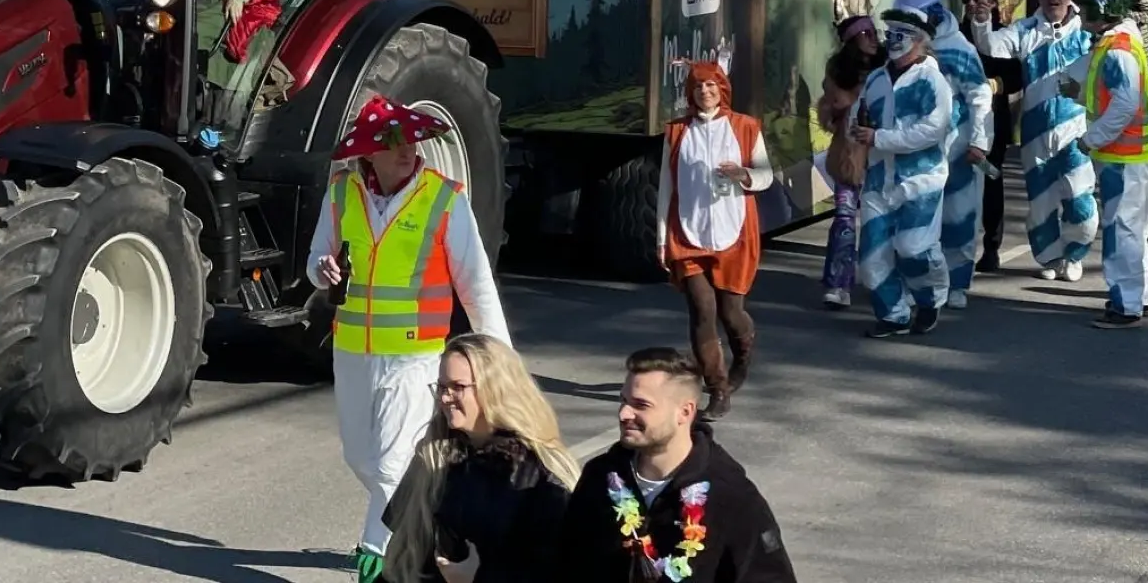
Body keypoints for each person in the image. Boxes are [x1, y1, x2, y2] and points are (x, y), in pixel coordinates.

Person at [307, 94, 511, 583]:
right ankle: (431, 508)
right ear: (369, 152)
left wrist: (499, 356)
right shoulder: (341, 193)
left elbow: (476, 281)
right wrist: (323, 268)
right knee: (361, 456)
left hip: (415, 355)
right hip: (353, 350)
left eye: (412, 141)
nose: (407, 151)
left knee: (393, 459)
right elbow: (317, 259)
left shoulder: (444, 198)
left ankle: (377, 551)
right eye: (394, 143)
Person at [555, 348, 798, 583]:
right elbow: (565, 563)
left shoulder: (729, 494)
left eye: (641, 405)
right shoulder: (602, 476)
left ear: (684, 412)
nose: (624, 413)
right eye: (623, 400)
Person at [381, 334, 577, 583]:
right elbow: (403, 552)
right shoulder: (433, 455)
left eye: (458, 387)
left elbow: (558, 569)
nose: (444, 398)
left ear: (495, 389)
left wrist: (478, 579)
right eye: (441, 386)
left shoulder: (539, 476)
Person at [656, 61, 773, 420]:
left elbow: (766, 175)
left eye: (710, 86)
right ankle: (717, 389)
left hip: (733, 231)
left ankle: (743, 356)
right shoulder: (677, 132)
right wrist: (661, 238)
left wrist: (744, 175)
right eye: (697, 87)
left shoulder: (745, 127)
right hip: (688, 232)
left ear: (722, 88)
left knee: (730, 313)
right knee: (702, 311)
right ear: (690, 94)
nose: (704, 93)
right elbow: (666, 186)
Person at [987, 0, 1097, 281]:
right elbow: (991, 45)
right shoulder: (1025, 30)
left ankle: (1074, 254)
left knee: (1080, 200)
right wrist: (981, 19)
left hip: (1076, 131)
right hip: (1035, 132)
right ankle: (1050, 258)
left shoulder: (1086, 33)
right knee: (1041, 204)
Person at [849, 7, 954, 337]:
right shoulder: (877, 79)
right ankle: (893, 314)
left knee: (913, 248)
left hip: (921, 179)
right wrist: (858, 129)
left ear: (920, 42)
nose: (892, 41)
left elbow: (933, 130)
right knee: (870, 258)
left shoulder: (933, 81)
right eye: (890, 34)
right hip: (880, 178)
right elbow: (860, 114)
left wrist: (880, 137)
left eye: (901, 35)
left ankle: (929, 299)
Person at [893, 0, 994, 310]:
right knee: (914, 219)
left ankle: (957, 282)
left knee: (959, 216)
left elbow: (980, 97)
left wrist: (979, 141)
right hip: (916, 151)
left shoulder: (958, 48)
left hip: (957, 150)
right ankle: (916, 283)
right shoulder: (900, 51)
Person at [1066, 0, 1148, 327]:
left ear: (1100, 11)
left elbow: (1122, 105)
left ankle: (1126, 304)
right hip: (1130, 155)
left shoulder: (1117, 51)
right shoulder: (1117, 41)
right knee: (1133, 229)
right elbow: (1100, 92)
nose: (1078, 11)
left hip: (1123, 156)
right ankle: (1142, 295)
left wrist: (1091, 139)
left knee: (1122, 231)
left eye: (1084, 7)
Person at [815, 16, 885, 309]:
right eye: (865, 34)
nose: (872, 38)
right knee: (844, 219)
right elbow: (829, 111)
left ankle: (882, 280)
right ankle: (837, 283)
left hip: (883, 156)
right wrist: (840, 110)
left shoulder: (888, 67)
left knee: (879, 223)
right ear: (852, 41)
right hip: (849, 155)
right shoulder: (838, 72)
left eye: (873, 32)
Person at [957, 0, 1024, 272]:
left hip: (991, 124)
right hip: (958, 125)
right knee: (957, 184)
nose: (973, 4)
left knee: (991, 180)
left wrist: (993, 85)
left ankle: (991, 246)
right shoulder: (955, 36)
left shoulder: (1003, 35)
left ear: (993, 2)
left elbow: (1016, 76)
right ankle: (956, 244)